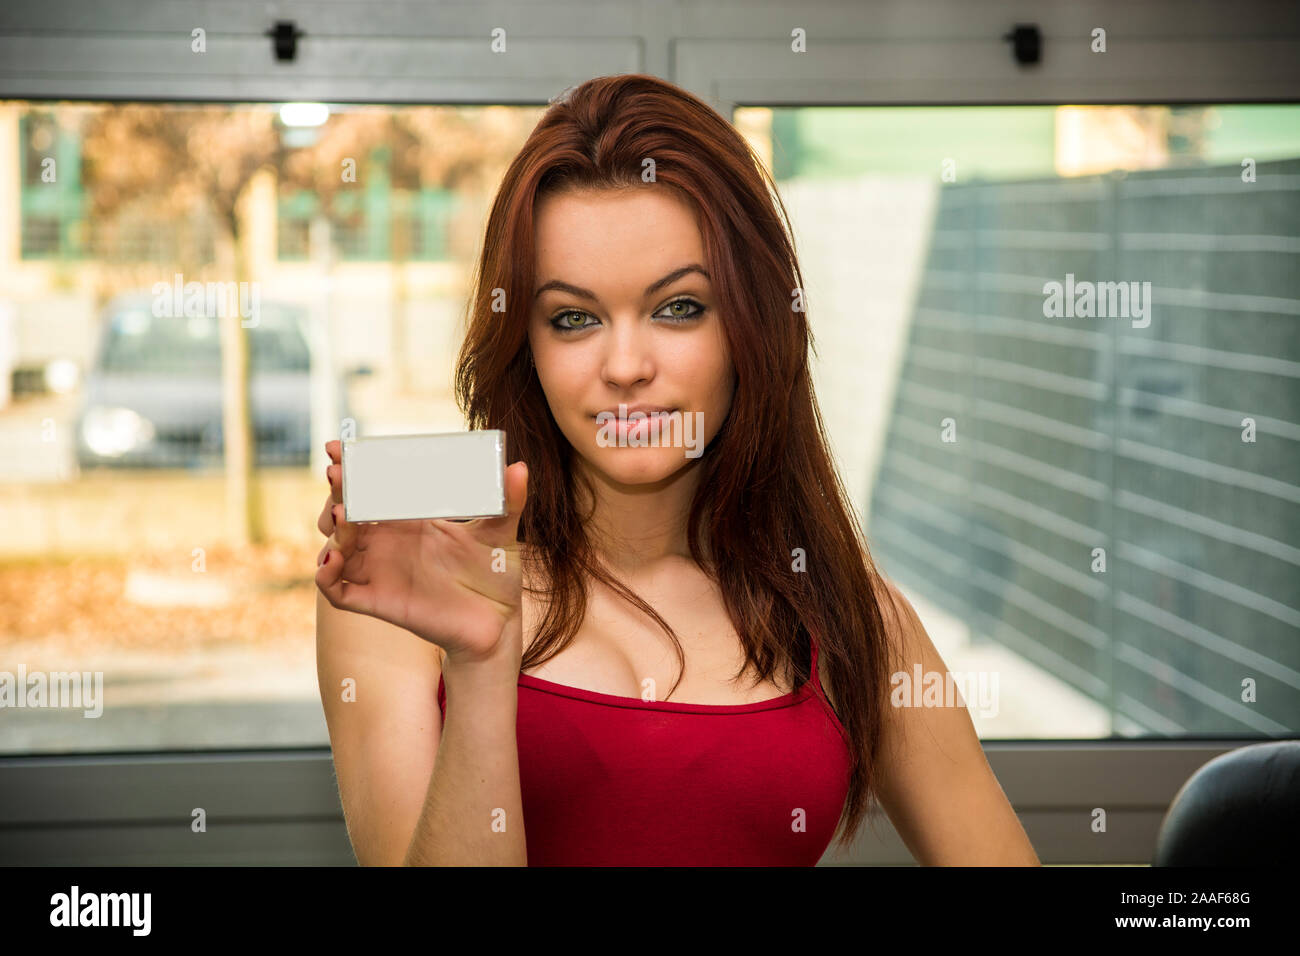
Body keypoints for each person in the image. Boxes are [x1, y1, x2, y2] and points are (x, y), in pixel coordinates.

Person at [314, 73, 1040, 867]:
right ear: (526, 346)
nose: (626, 365)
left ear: (751, 325)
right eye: (573, 318)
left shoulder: (848, 612)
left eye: (678, 308)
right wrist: (483, 666)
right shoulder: (406, 589)